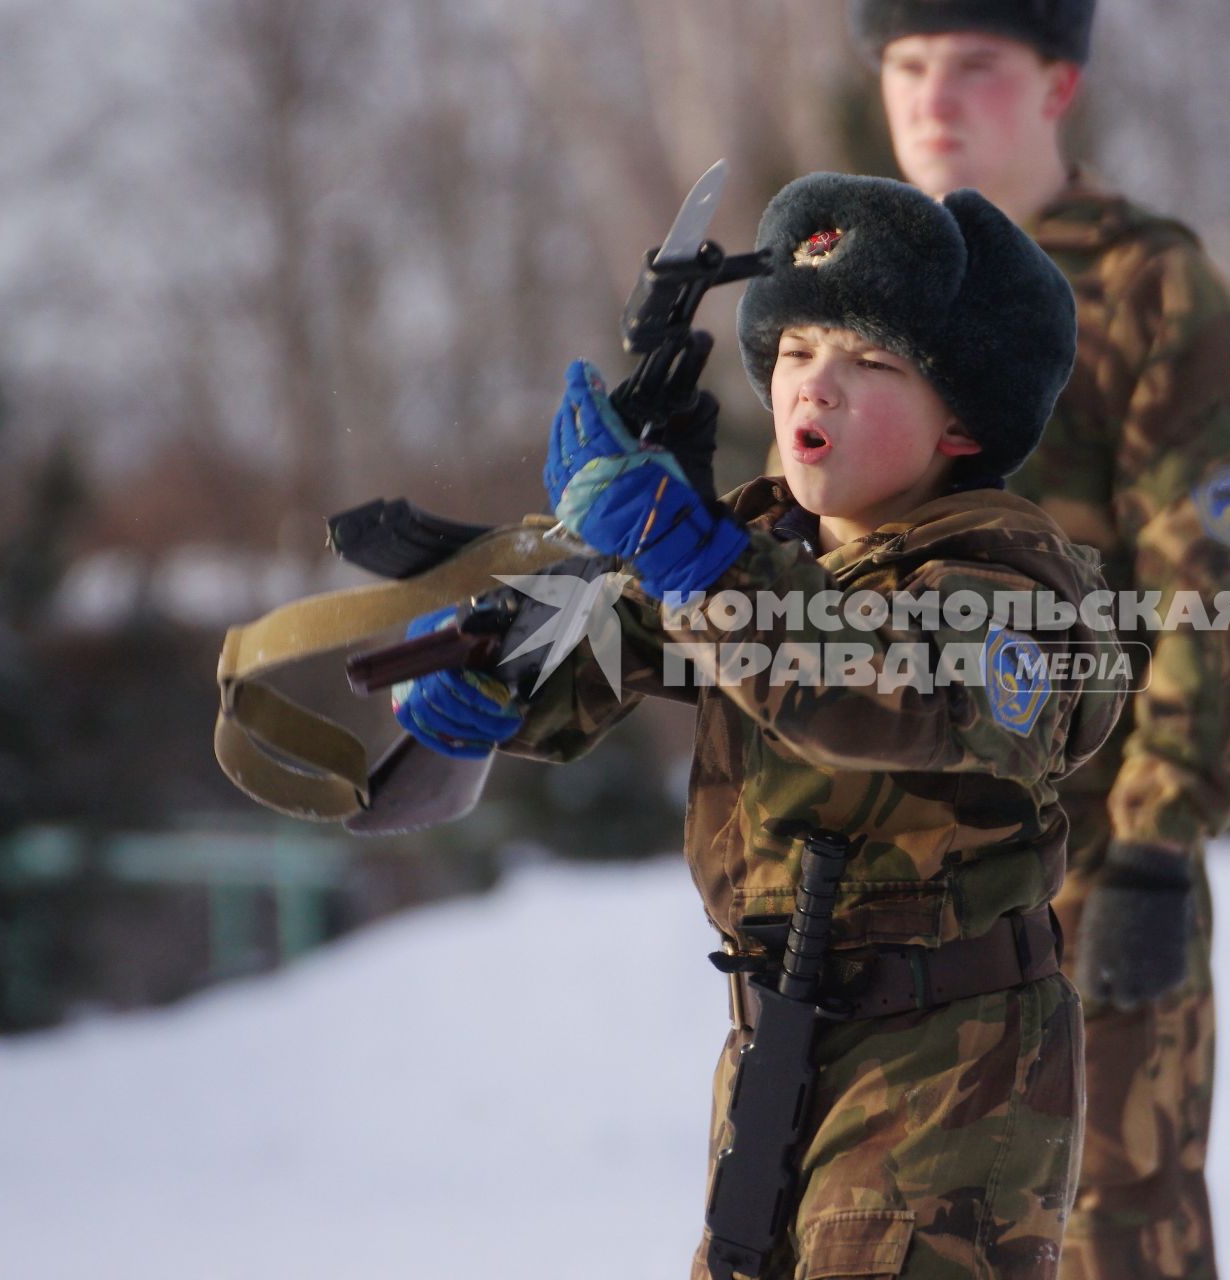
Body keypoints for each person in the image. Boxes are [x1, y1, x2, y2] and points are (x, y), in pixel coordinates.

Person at [392, 171, 1127, 1278]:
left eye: (870, 363)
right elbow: (627, 638)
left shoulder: (1007, 581)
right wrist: (495, 670)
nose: (812, 389)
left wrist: (702, 564)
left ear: (963, 423)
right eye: (791, 352)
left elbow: (889, 685)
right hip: (781, 1043)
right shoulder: (768, 541)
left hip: (950, 1059)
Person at [844, 4, 1230, 1277]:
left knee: (1109, 1244)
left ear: (1056, 83)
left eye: (973, 65)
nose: (933, 96)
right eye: (907, 63)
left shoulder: (1148, 286)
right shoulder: (849, 302)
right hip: (889, 907)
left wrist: (1159, 841)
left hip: (1086, 888)